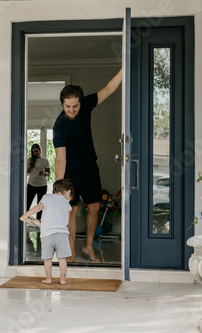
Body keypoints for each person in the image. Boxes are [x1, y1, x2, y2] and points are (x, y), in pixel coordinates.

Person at [53, 69, 122, 263]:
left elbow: (109, 88)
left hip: (90, 167)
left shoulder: (86, 107)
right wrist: (60, 187)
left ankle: (88, 246)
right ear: (62, 104)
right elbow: (60, 159)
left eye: (75, 106)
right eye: (68, 106)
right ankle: (71, 251)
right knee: (72, 211)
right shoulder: (59, 126)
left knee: (94, 207)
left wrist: (125, 67)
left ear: (80, 103)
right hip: (71, 173)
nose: (72, 110)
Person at [20, 179, 74, 285]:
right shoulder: (66, 203)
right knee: (62, 259)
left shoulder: (47, 197)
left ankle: (49, 279)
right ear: (68, 192)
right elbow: (67, 221)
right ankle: (63, 280)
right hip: (62, 234)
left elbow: (38, 207)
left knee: (47, 259)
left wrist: (26, 215)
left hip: (47, 234)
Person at [26, 143, 51, 219]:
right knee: (27, 203)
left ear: (40, 150)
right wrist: (30, 167)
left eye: (36, 151)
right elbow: (26, 172)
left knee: (40, 204)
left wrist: (43, 173)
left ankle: (39, 221)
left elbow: (49, 174)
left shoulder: (45, 160)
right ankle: (25, 219)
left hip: (42, 185)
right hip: (31, 184)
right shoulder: (30, 160)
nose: (35, 153)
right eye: (33, 152)